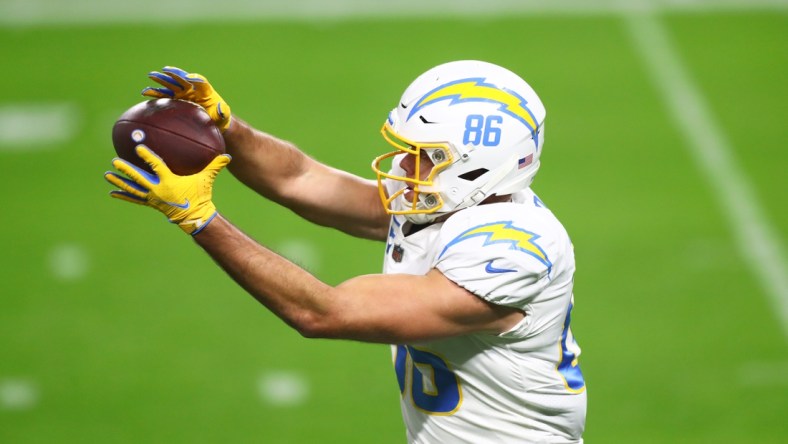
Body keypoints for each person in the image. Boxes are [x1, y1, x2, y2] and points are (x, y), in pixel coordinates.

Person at [104, 60, 586, 443]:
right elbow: (302, 180)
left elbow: (324, 313)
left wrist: (200, 219)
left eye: (424, 155)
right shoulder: (449, 201)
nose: (402, 163)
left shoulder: (512, 248)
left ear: (479, 167)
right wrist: (228, 128)